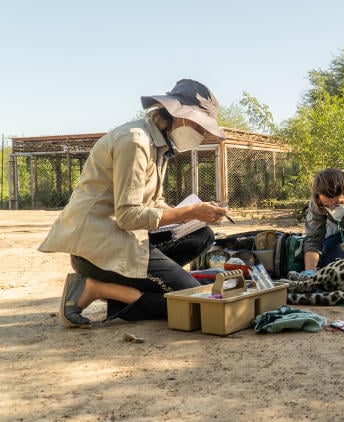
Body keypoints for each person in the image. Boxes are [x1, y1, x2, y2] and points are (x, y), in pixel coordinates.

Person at [39, 79, 230, 327]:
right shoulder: (135, 141)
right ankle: (96, 287)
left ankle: (139, 285)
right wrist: (190, 211)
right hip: (98, 250)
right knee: (195, 304)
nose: (201, 133)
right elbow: (129, 216)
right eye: (198, 124)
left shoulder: (159, 143)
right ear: (177, 116)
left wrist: (194, 216)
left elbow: (153, 202)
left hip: (125, 238)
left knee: (201, 234)